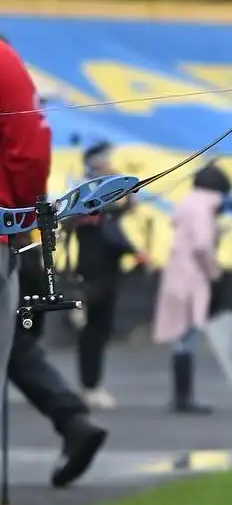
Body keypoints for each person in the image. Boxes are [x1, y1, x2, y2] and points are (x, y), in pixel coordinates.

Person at [0, 35, 109, 489]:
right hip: (13, 237)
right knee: (15, 350)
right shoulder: (5, 62)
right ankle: (71, 419)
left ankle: (71, 419)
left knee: (17, 351)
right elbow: (30, 152)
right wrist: (29, 215)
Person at [67, 141, 149, 411]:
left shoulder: (104, 195)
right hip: (92, 274)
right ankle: (88, 386)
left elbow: (115, 216)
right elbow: (106, 230)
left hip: (107, 272)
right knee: (91, 333)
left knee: (99, 332)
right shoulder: (85, 193)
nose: (108, 162)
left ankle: (92, 384)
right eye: (103, 159)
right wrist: (133, 251)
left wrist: (129, 195)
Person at [152, 161, 231, 415]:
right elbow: (202, 246)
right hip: (193, 277)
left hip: (176, 273)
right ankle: (184, 398)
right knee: (188, 336)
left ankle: (180, 395)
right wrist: (214, 273)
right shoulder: (205, 207)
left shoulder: (187, 203)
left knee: (181, 337)